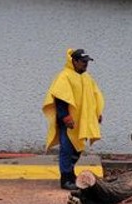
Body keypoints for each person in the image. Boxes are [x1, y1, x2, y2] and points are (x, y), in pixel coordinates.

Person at [43, 48, 104, 190]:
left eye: (87, 62)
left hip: (81, 121)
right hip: (68, 121)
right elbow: (60, 98)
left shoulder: (87, 78)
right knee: (67, 149)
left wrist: (97, 112)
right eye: (83, 62)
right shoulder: (64, 76)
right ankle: (65, 179)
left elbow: (94, 96)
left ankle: (70, 174)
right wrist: (65, 116)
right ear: (74, 61)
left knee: (77, 149)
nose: (86, 64)